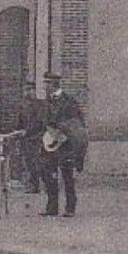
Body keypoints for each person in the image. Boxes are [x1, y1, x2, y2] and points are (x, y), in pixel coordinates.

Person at [39, 70, 87, 217]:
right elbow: (44, 121)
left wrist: (64, 134)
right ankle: (52, 207)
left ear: (53, 85)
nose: (44, 87)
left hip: (65, 144)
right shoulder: (46, 101)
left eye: (46, 84)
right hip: (49, 143)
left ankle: (70, 207)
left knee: (67, 175)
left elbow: (77, 122)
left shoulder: (69, 101)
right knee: (48, 175)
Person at [18, 79, 45, 194]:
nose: (28, 92)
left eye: (30, 90)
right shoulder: (22, 105)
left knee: (37, 162)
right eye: (26, 90)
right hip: (26, 139)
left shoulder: (39, 105)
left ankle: (40, 184)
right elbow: (19, 121)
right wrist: (18, 131)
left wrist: (27, 131)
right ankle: (32, 184)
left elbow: (39, 122)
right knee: (28, 162)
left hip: (36, 137)